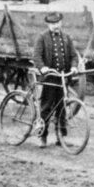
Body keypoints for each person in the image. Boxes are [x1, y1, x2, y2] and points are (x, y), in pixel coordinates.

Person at [32, 11, 77, 149]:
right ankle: (42, 137)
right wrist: (43, 68)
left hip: (63, 78)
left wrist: (74, 67)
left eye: (57, 23)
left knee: (62, 108)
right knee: (46, 108)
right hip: (49, 78)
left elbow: (74, 56)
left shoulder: (66, 37)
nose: (55, 26)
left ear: (61, 23)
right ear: (48, 24)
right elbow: (37, 56)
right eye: (52, 24)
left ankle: (60, 137)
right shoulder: (42, 37)